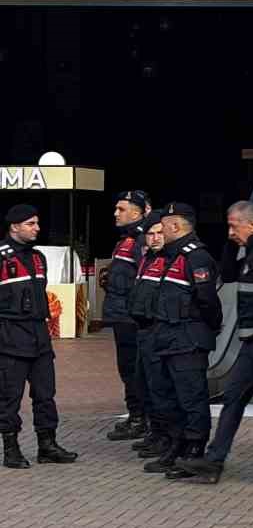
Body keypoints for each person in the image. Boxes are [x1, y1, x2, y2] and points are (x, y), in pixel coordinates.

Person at [173, 201, 253, 484]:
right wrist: (232, 243)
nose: (231, 231)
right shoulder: (252, 250)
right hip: (251, 340)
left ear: (251, 223)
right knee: (233, 399)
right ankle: (213, 461)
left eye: (234, 225)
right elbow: (229, 272)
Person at [145, 203, 222, 478]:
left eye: (163, 226)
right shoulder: (168, 256)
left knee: (191, 398)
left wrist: (208, 329)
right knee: (169, 397)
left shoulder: (195, 257)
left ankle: (194, 452)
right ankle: (176, 447)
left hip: (188, 339)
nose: (159, 231)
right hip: (167, 338)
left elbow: (208, 302)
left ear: (176, 226)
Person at [0, 203, 77, 468]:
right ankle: (11, 449)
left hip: (39, 336)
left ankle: (48, 445)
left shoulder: (37, 257)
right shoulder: (1, 257)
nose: (37, 228)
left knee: (46, 394)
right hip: (10, 337)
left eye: (37, 223)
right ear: (14, 226)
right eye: (31, 224)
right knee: (9, 397)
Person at [101, 189, 152, 441]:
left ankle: (140, 419)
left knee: (134, 369)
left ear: (138, 212)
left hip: (132, 318)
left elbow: (143, 280)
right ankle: (135, 415)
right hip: (121, 316)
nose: (116, 213)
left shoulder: (142, 240)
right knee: (127, 368)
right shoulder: (126, 239)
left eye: (121, 209)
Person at [129, 217, 172, 464]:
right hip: (143, 330)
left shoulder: (170, 259)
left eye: (159, 233)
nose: (155, 238)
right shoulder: (147, 259)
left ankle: (165, 438)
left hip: (159, 330)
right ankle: (155, 433)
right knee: (144, 385)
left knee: (160, 389)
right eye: (150, 234)